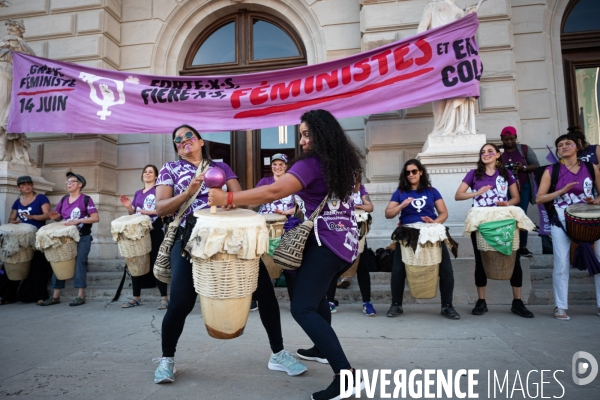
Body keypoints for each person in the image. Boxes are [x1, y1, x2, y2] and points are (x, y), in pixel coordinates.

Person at [208, 109, 365, 400]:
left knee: (301, 308)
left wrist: (227, 197)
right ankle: (322, 348)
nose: (303, 141)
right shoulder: (347, 164)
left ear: (322, 135)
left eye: (307, 134)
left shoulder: (312, 165)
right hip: (346, 242)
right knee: (316, 301)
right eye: (302, 134)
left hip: (325, 244)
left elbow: (273, 192)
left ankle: (346, 376)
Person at [153, 125, 307, 385]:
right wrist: (189, 192)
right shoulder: (169, 169)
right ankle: (167, 359)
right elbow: (160, 208)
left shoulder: (221, 169)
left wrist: (225, 198)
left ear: (201, 141)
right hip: (192, 239)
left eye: (188, 136)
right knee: (180, 302)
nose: (183, 141)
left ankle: (278, 353)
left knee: (266, 295)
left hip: (233, 238)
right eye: (177, 139)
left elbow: (241, 201)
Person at [455, 143, 534, 318]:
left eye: (490, 151)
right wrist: (476, 193)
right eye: (482, 152)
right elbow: (458, 195)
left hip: (503, 218)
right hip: (482, 219)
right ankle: (481, 301)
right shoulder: (473, 174)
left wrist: (507, 203)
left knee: (514, 258)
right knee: (480, 258)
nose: (486, 154)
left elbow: (516, 198)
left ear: (498, 155)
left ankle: (517, 302)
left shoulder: (506, 174)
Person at [535, 134, 600, 320]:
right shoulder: (552, 171)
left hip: (591, 218)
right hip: (562, 219)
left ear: (577, 147)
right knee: (562, 262)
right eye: (560, 145)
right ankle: (560, 307)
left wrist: (595, 200)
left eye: (568, 144)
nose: (564, 147)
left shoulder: (590, 167)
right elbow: (539, 198)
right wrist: (561, 191)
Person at [384, 159, 459, 320]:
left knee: (446, 269)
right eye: (408, 172)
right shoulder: (400, 192)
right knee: (398, 271)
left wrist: (434, 222)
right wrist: (401, 205)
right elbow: (388, 213)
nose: (411, 175)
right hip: (407, 234)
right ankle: (396, 305)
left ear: (421, 172)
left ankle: (447, 306)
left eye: (414, 171)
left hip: (431, 233)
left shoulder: (432, 191)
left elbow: (444, 213)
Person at [41, 172, 100, 307]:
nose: (69, 184)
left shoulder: (86, 199)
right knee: (59, 262)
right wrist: (54, 216)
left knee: (80, 264)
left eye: (72, 181)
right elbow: (59, 218)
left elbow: (95, 218)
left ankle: (80, 295)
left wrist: (78, 221)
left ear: (80, 185)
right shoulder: (63, 200)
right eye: (67, 182)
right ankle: (56, 296)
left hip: (82, 237)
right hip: (65, 239)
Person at [119, 165, 169, 310]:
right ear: (142, 176)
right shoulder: (138, 193)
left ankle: (164, 298)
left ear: (156, 176)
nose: (147, 174)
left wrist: (149, 212)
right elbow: (134, 214)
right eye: (145, 172)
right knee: (136, 262)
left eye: (150, 172)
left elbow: (164, 211)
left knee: (156, 263)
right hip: (139, 233)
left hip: (155, 231)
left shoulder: (159, 190)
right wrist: (129, 207)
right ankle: (136, 297)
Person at [326, 182, 376, 316]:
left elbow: (370, 207)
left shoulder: (361, 189)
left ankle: (367, 302)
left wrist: (360, 206)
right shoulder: (334, 187)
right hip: (338, 229)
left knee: (362, 266)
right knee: (333, 266)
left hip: (358, 229)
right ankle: (329, 301)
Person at [255, 153, 297, 304]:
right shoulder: (265, 181)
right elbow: (256, 198)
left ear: (286, 166)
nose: (277, 167)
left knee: (288, 264)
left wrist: (286, 212)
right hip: (264, 227)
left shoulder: (293, 182)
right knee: (259, 263)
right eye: (275, 164)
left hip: (286, 226)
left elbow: (300, 206)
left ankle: (294, 300)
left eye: (281, 164)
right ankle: (257, 299)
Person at [7, 176, 52, 304]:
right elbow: (11, 218)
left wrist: (31, 216)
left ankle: (39, 296)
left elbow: (47, 215)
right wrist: (14, 221)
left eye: (28, 184)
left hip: (37, 236)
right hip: (21, 238)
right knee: (13, 265)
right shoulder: (17, 201)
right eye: (22, 185)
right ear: (19, 187)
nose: (26, 186)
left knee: (37, 266)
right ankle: (7, 296)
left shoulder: (41, 198)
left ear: (32, 185)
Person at [499, 126, 540, 257]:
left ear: (516, 138)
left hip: (524, 186)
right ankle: (507, 244)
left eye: (512, 139)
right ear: (502, 139)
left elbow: (536, 165)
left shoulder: (524, 149)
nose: (509, 142)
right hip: (504, 188)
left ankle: (522, 246)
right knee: (505, 215)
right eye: (506, 139)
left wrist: (523, 168)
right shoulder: (498, 150)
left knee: (521, 214)